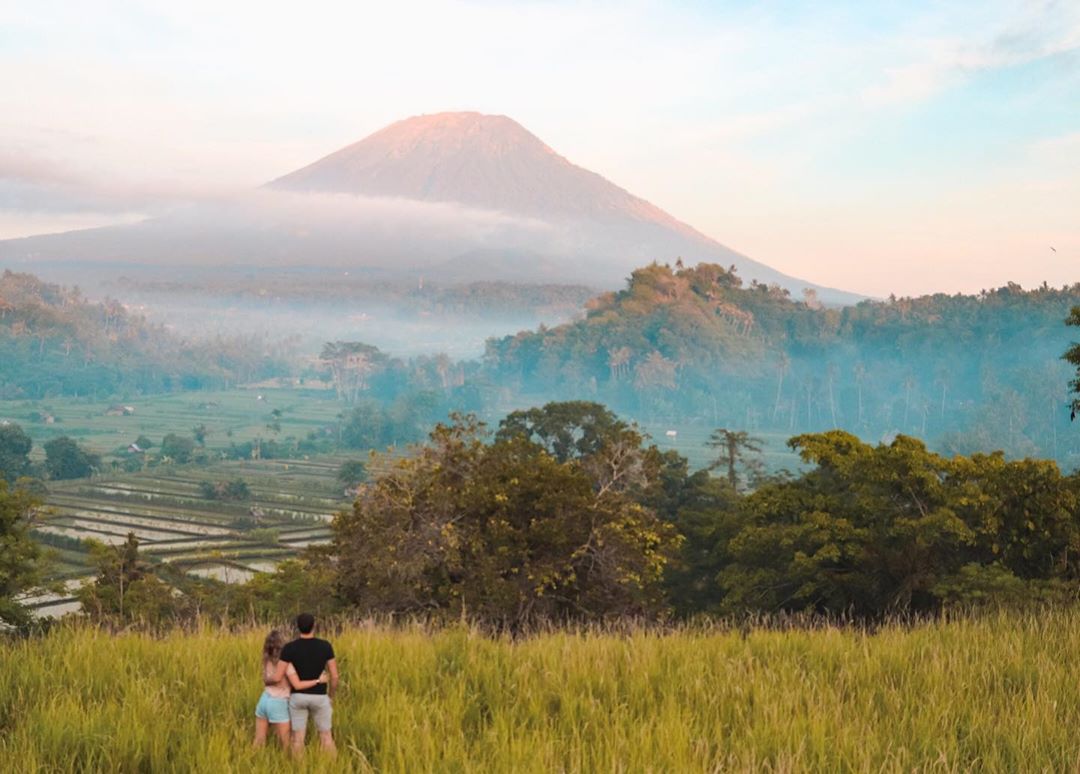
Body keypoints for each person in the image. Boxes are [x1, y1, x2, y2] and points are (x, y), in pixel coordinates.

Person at [270, 612, 339, 757]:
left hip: (298, 697)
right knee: (326, 737)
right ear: (314, 626)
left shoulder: (289, 648)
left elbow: (278, 675)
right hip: (320, 697)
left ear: (298, 627)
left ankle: (299, 769)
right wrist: (331, 696)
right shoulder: (325, 646)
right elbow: (334, 676)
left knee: (297, 740)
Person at [253, 629, 326, 749]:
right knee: (287, 744)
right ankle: (290, 767)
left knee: (259, 741)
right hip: (278, 702)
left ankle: (251, 762)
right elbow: (297, 685)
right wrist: (318, 681)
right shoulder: (287, 664)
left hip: (264, 699)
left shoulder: (267, 660)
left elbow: (268, 679)